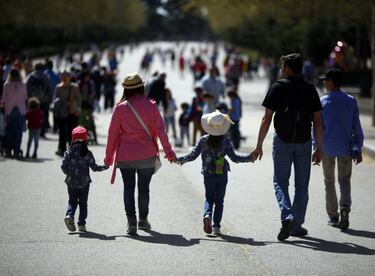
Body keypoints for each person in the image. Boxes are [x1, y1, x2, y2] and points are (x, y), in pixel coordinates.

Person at [251, 53, 323, 241]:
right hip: (304, 142)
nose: (281, 70)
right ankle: (296, 226)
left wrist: (259, 145)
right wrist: (320, 148)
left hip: (282, 141)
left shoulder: (277, 87)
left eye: (283, 67)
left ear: (289, 69)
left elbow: (266, 119)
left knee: (280, 182)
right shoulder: (310, 89)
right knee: (302, 186)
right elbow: (318, 122)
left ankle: (287, 215)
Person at [104, 73, 177, 235]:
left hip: (125, 155)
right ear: (141, 87)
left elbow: (113, 134)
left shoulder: (120, 108)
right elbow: (161, 131)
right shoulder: (151, 105)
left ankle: (131, 221)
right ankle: (143, 220)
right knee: (144, 188)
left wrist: (108, 158)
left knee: (128, 188)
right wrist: (169, 153)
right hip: (146, 154)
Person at [176, 111, 254, 235]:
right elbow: (234, 158)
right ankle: (216, 226)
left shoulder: (203, 140)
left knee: (209, 198)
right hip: (221, 173)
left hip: (208, 174)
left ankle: (207, 215)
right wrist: (250, 158)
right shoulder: (225, 141)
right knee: (219, 200)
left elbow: (192, 156)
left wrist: (178, 159)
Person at [318, 68, 364, 231]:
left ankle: (333, 216)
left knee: (328, 181)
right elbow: (356, 127)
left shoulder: (323, 102)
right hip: (345, 147)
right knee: (344, 181)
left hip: (327, 148)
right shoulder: (351, 100)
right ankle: (344, 207)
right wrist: (358, 147)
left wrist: (316, 147)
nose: (323, 82)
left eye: (325, 80)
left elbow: (318, 127)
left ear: (331, 82)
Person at [61, 126, 108, 232]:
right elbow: (94, 168)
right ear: (85, 138)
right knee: (83, 203)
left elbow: (63, 167)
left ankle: (69, 215)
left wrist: (69, 173)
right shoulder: (87, 153)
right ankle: (81, 224)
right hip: (84, 183)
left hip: (71, 182)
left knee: (72, 201)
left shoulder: (68, 153)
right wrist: (105, 166)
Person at [53, 71, 82, 156]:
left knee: (72, 132)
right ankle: (62, 149)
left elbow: (79, 99)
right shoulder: (58, 87)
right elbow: (55, 99)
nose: (64, 78)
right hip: (61, 112)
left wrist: (78, 109)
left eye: (66, 77)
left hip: (72, 112)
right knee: (62, 132)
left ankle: (72, 149)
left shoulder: (74, 87)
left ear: (69, 77)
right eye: (62, 77)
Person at [2, 68, 27, 158]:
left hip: (9, 110)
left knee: (9, 132)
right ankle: (17, 151)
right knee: (18, 132)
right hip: (20, 110)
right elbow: (25, 98)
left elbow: (3, 100)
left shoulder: (6, 85)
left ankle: (9, 151)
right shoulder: (23, 85)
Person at [26, 63, 52, 138]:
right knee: (42, 116)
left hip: (33, 100)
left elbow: (27, 87)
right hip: (44, 100)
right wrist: (48, 99)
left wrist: (29, 98)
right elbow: (49, 89)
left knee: (32, 116)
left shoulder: (30, 76)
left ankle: (32, 132)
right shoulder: (46, 77)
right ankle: (42, 132)